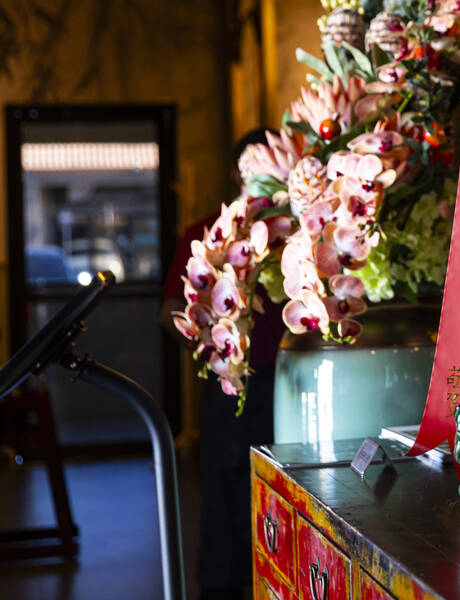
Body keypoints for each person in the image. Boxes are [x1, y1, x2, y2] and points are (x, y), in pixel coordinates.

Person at [160, 129, 286, 600]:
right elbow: (170, 308)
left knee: (290, 488)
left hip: (293, 378)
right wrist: (210, 348)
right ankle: (221, 586)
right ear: (238, 172)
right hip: (232, 380)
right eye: (251, 167)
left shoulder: (299, 233)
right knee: (225, 486)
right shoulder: (204, 234)